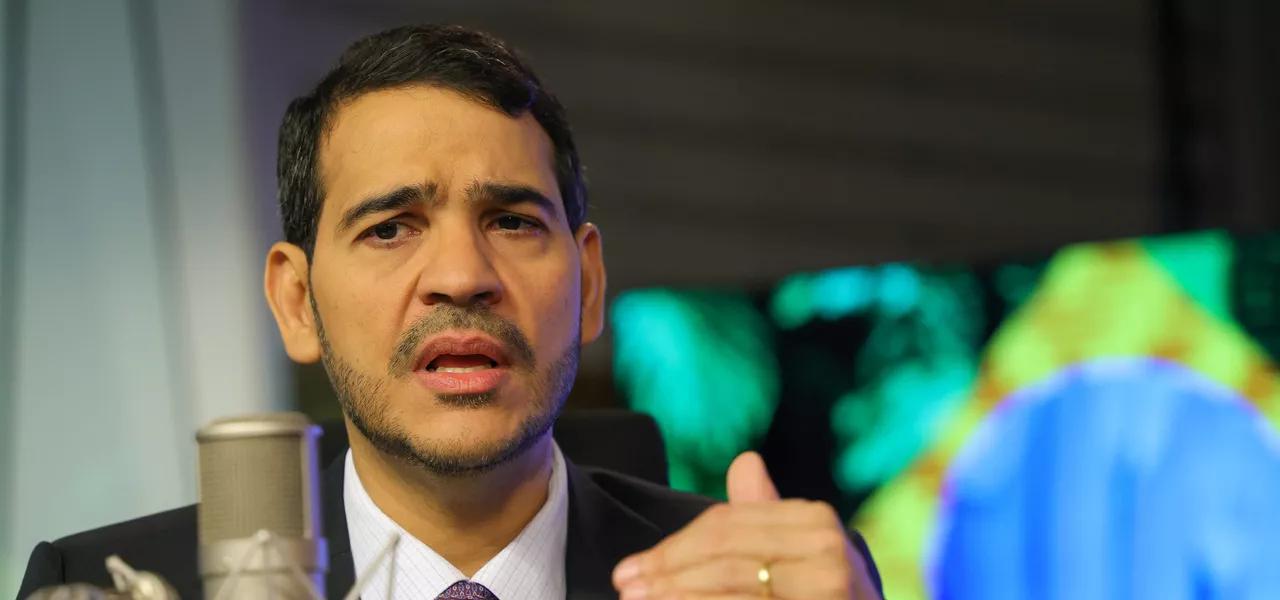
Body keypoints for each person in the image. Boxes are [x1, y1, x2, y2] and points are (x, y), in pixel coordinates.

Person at [18, 24, 881, 599]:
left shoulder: (767, 582)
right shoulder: (98, 587)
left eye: (511, 221)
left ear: (588, 284)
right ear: (297, 301)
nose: (463, 277)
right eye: (391, 228)